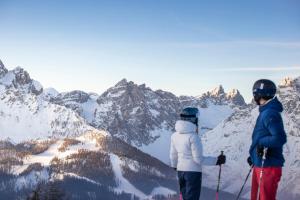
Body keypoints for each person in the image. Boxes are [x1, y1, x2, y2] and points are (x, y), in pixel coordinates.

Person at [170, 107, 226, 200]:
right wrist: (217, 161)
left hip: (180, 171)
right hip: (193, 172)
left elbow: (173, 154)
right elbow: (198, 159)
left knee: (184, 197)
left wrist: (175, 165)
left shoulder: (174, 136)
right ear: (193, 119)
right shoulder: (193, 137)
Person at [248, 79, 287, 200]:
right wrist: (253, 156)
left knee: (265, 198)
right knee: (256, 197)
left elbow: (279, 138)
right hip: (260, 162)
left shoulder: (269, 113)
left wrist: (261, 143)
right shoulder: (266, 111)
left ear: (259, 94)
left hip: (268, 165)